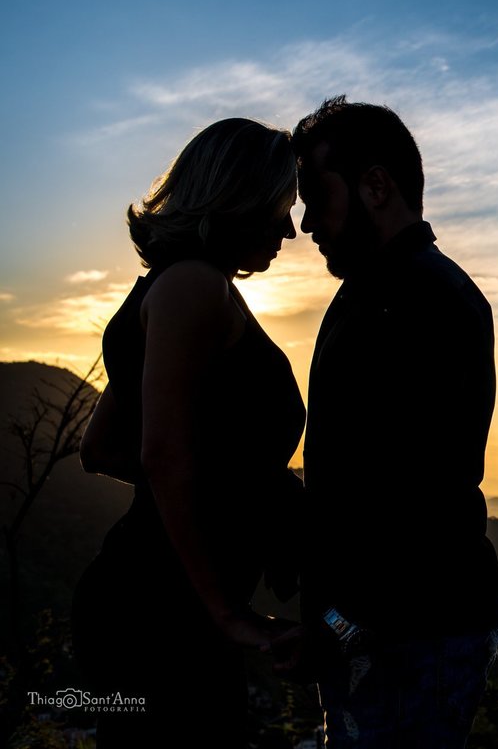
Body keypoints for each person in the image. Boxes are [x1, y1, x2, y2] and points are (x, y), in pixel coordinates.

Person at [71, 118, 306, 748]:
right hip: (164, 612)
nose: (289, 230)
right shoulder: (194, 288)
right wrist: (225, 613)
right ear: (238, 197)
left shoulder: (171, 287)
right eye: (281, 209)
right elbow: (163, 455)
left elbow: (102, 449)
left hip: (150, 601)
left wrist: (245, 490)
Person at [291, 96, 498, 747]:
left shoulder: (420, 301)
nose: (303, 222)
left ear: (375, 185)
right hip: (398, 631)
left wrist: (335, 628)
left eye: (314, 195)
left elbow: (403, 501)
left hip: (411, 637)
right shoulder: (387, 292)